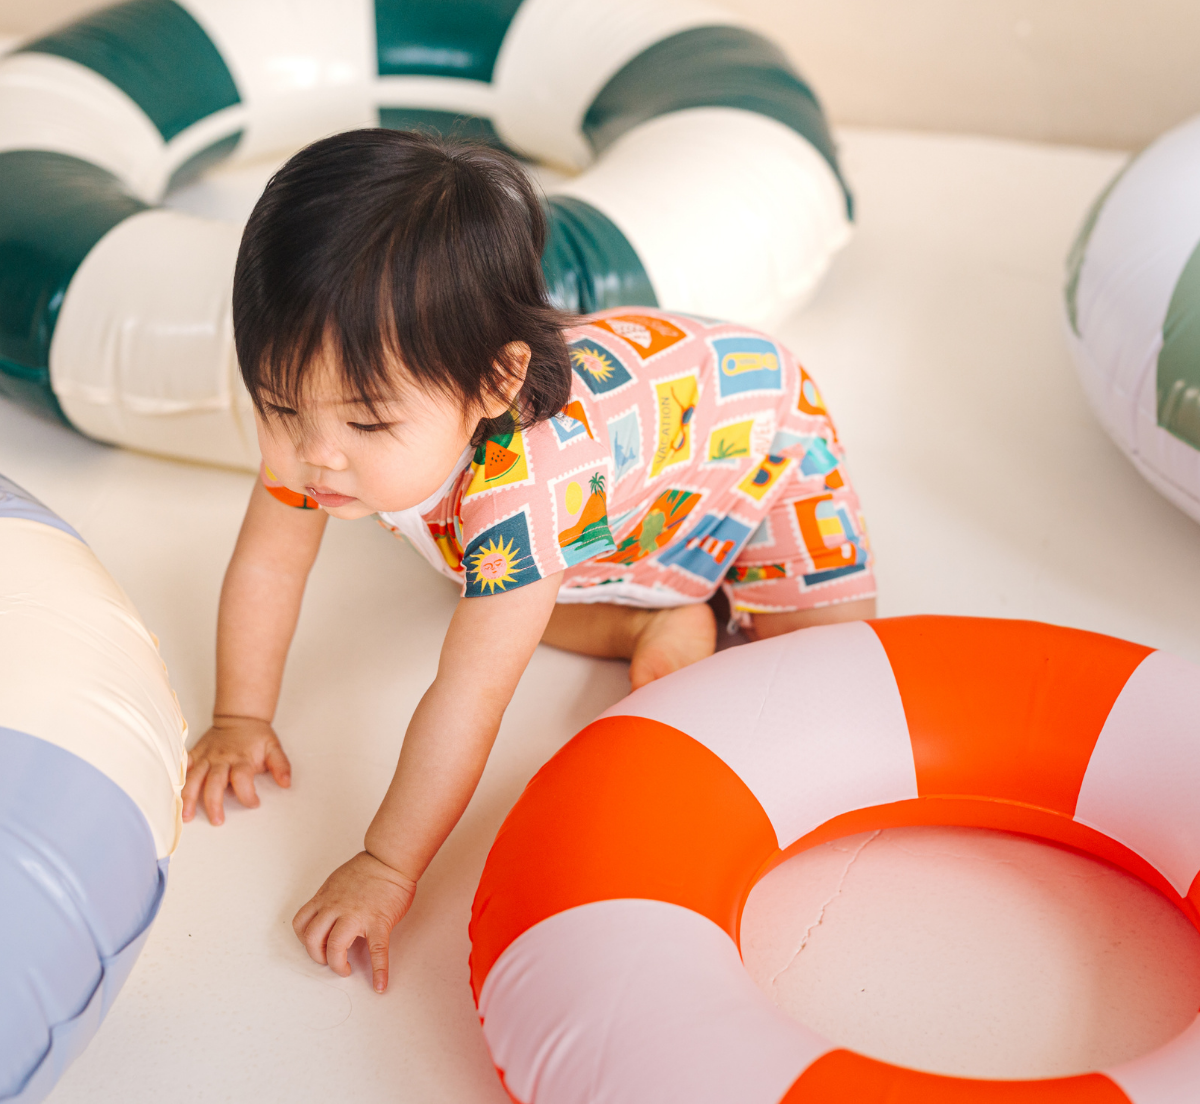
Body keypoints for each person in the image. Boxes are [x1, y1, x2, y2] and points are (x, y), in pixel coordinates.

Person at [181, 129, 876, 993]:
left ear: (494, 384)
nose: (314, 455)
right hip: (633, 497)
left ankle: (691, 601)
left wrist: (386, 864)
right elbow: (268, 567)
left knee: (823, 673)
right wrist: (239, 716)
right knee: (498, 603)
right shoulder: (323, 441)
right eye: (280, 406)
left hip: (759, 435)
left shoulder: (522, 497)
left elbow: (467, 700)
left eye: (366, 422)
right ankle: (657, 613)